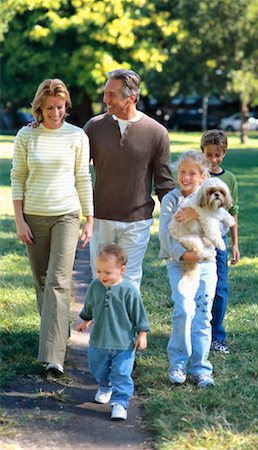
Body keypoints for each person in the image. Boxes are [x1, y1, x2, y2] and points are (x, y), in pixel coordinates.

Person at [11, 78, 94, 376]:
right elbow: (17, 177)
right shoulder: (26, 136)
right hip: (33, 215)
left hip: (66, 216)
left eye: (60, 107)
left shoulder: (77, 136)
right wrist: (19, 220)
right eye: (49, 108)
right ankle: (58, 333)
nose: (56, 113)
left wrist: (89, 218)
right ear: (39, 107)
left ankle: (53, 354)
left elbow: (83, 178)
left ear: (66, 106)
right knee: (43, 282)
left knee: (59, 280)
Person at [84, 69, 175, 291]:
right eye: (105, 93)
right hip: (101, 217)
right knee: (102, 278)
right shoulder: (94, 127)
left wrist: (176, 217)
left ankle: (124, 326)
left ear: (131, 97)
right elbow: (75, 168)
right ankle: (104, 325)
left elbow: (164, 182)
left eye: (112, 95)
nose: (106, 100)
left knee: (130, 279)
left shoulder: (157, 132)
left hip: (137, 220)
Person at [159, 151, 218, 387]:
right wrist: (184, 254)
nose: (186, 177)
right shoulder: (170, 200)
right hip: (180, 264)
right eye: (182, 172)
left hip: (205, 265)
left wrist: (198, 214)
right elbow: (165, 233)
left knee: (203, 315)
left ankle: (201, 368)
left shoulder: (208, 198)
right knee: (184, 309)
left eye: (192, 173)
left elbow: (219, 230)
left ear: (202, 177)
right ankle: (178, 363)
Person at [77, 244, 149, 420]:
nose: (102, 276)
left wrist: (142, 334)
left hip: (123, 344)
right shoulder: (95, 286)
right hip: (98, 341)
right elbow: (89, 305)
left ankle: (120, 403)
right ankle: (104, 386)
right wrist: (86, 320)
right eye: (99, 271)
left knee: (121, 373)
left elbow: (138, 313)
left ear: (122, 269)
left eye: (107, 272)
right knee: (98, 369)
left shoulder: (128, 290)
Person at [201, 129, 240, 354]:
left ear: (224, 153)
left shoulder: (229, 178)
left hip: (220, 241)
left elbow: (233, 212)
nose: (213, 160)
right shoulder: (199, 176)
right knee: (199, 286)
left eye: (218, 155)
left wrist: (235, 244)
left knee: (221, 288)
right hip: (199, 239)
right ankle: (198, 330)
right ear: (203, 153)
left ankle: (217, 335)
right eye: (209, 155)